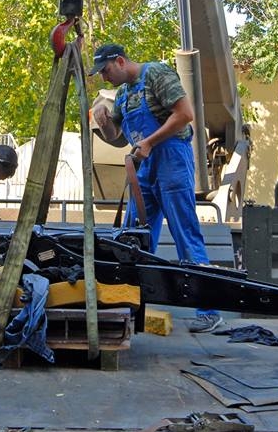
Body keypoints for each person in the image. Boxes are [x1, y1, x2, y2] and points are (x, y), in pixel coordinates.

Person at [88, 43, 222, 333]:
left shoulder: (157, 74)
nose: (104, 78)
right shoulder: (123, 94)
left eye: (106, 71)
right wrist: (104, 125)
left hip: (171, 159)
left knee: (185, 233)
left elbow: (185, 114)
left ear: (121, 61)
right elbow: (119, 138)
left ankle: (209, 310)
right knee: (132, 238)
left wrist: (149, 142)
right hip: (145, 167)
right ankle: (126, 307)